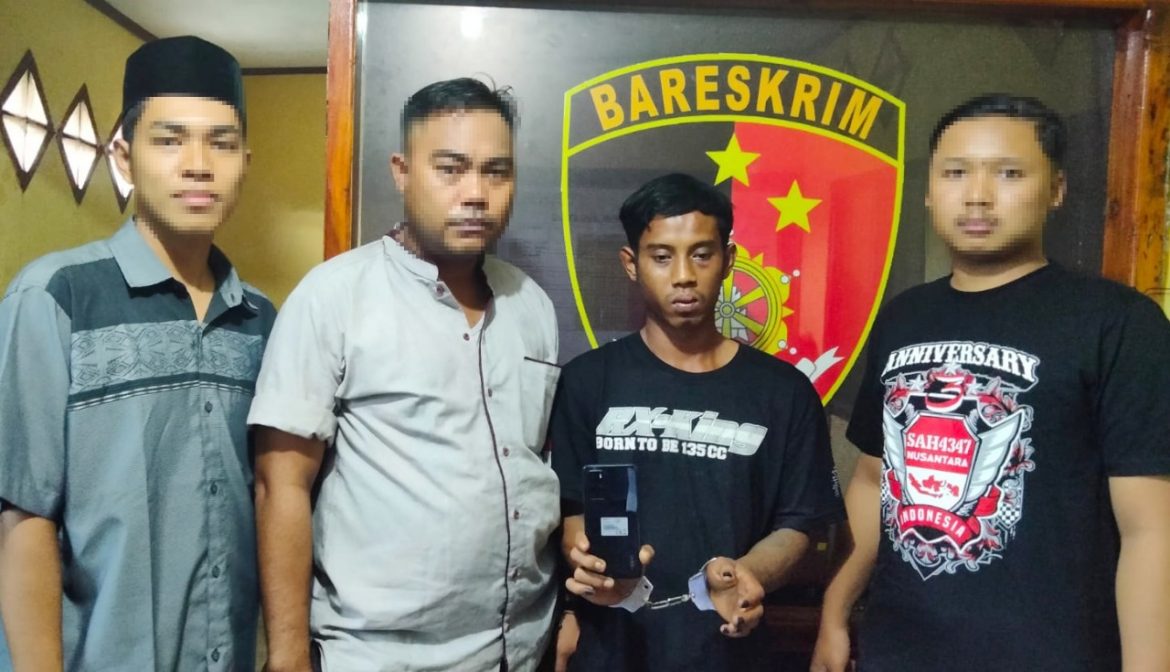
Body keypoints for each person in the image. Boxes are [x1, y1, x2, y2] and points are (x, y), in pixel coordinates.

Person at [810, 94, 1170, 672]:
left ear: (1056, 189)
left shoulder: (1117, 322)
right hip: (899, 650)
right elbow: (875, 480)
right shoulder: (905, 317)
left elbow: (1150, 529)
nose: (977, 195)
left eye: (1008, 174)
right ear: (929, 191)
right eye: (955, 173)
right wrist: (835, 609)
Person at [249, 78, 561, 672]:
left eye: (496, 172)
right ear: (402, 171)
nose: (476, 194)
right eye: (451, 169)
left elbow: (533, 468)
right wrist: (287, 656)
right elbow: (279, 484)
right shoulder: (334, 297)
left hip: (521, 648)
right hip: (378, 654)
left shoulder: (532, 305)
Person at [0, 36, 274, 671]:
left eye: (221, 143)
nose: (198, 165)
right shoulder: (56, 297)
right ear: (124, 157)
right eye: (169, 140)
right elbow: (23, 517)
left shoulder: (261, 320)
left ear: (244, 161)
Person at [550, 173, 844, 671]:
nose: (684, 275)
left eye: (702, 254)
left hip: (731, 655)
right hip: (613, 653)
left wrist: (746, 574)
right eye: (662, 257)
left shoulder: (785, 392)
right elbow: (572, 511)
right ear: (631, 264)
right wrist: (594, 567)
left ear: (728, 260)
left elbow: (799, 526)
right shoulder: (586, 381)